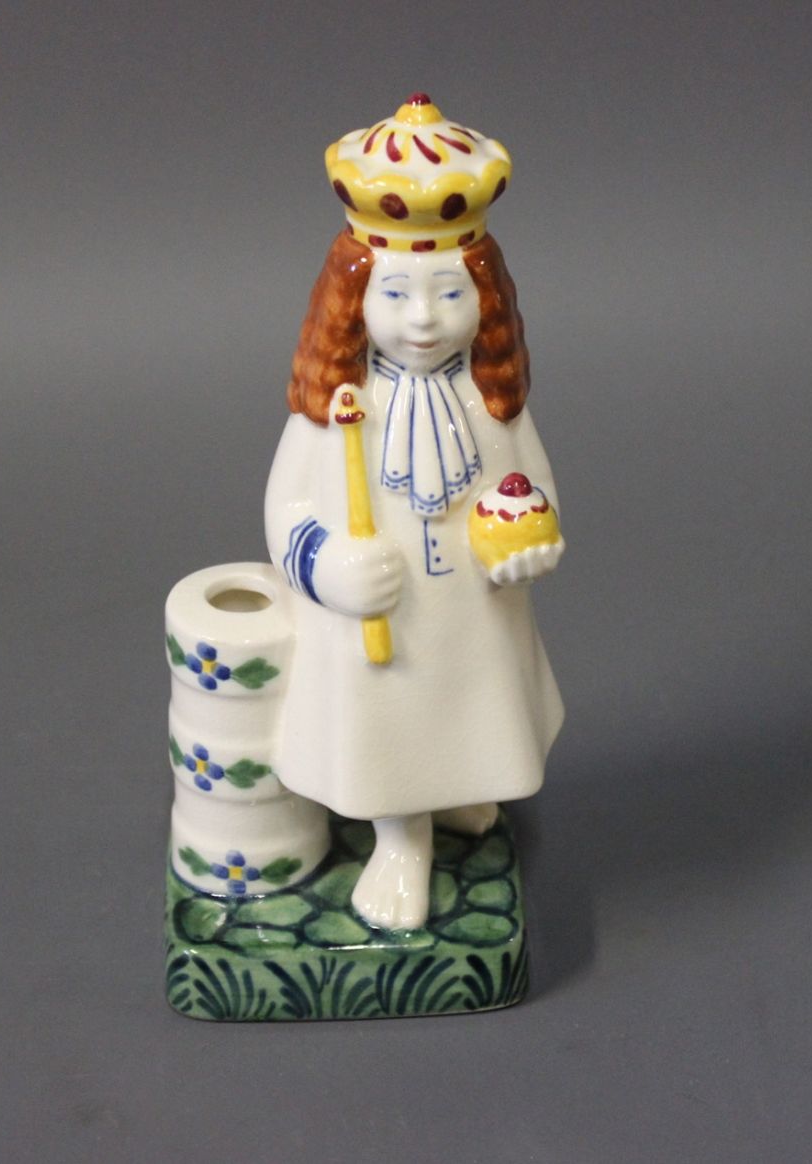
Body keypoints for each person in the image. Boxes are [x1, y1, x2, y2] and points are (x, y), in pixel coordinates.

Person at [263, 95, 565, 929]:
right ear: (354, 299)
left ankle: (462, 786)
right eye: (396, 294)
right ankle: (403, 842)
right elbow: (285, 509)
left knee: (470, 700)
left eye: (448, 293)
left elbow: (532, 484)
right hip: (382, 616)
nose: (424, 319)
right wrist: (327, 566)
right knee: (392, 717)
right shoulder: (338, 410)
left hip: (470, 608)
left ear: (486, 298)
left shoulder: (489, 404)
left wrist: (530, 534)